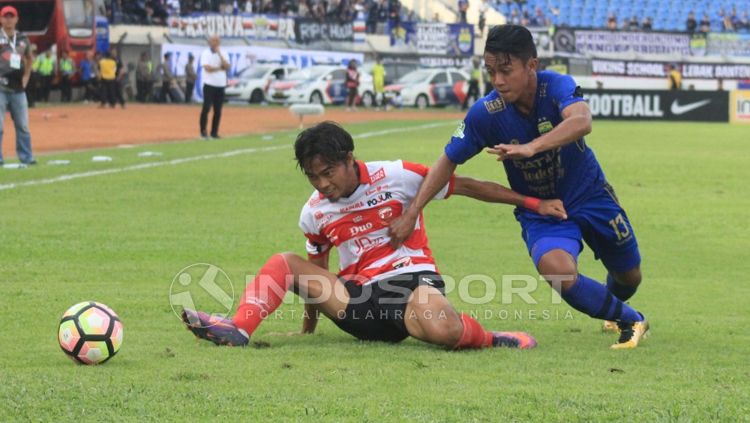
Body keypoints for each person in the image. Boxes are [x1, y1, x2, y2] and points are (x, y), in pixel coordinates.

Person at [182, 121, 569, 349]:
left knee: (444, 329)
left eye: (328, 172)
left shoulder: (398, 175)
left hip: (411, 286)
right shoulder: (314, 210)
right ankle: (238, 328)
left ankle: (490, 338)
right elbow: (318, 270)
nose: (322, 184)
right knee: (286, 262)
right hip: (356, 302)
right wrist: (309, 328)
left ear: (350, 157)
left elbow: (467, 186)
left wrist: (533, 204)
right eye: (313, 176)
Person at [387, 25, 650, 350]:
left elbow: (582, 121)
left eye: (505, 71)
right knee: (557, 270)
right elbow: (447, 160)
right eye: (491, 71)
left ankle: (613, 308)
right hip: (541, 210)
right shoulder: (485, 113)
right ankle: (632, 319)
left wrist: (532, 146)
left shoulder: (557, 86)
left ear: (531, 66)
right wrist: (413, 211)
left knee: (630, 276)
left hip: (591, 195)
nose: (497, 80)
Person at [0, 5, 35, 165]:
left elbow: (29, 58)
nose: (8, 19)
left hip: (18, 89)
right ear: (1, 19)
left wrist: (26, 76)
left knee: (23, 125)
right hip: (0, 88)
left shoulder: (22, 39)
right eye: (5, 16)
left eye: (11, 16)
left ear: (16, 19)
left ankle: (26, 157)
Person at [199, 35, 229, 139]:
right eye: (213, 41)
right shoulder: (205, 53)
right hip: (209, 84)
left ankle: (214, 132)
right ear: (209, 42)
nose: (215, 43)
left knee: (218, 110)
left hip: (221, 84)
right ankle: (203, 131)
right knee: (206, 107)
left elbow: (227, 66)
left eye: (217, 41)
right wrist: (220, 68)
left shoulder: (224, 52)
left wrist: (220, 54)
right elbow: (207, 68)